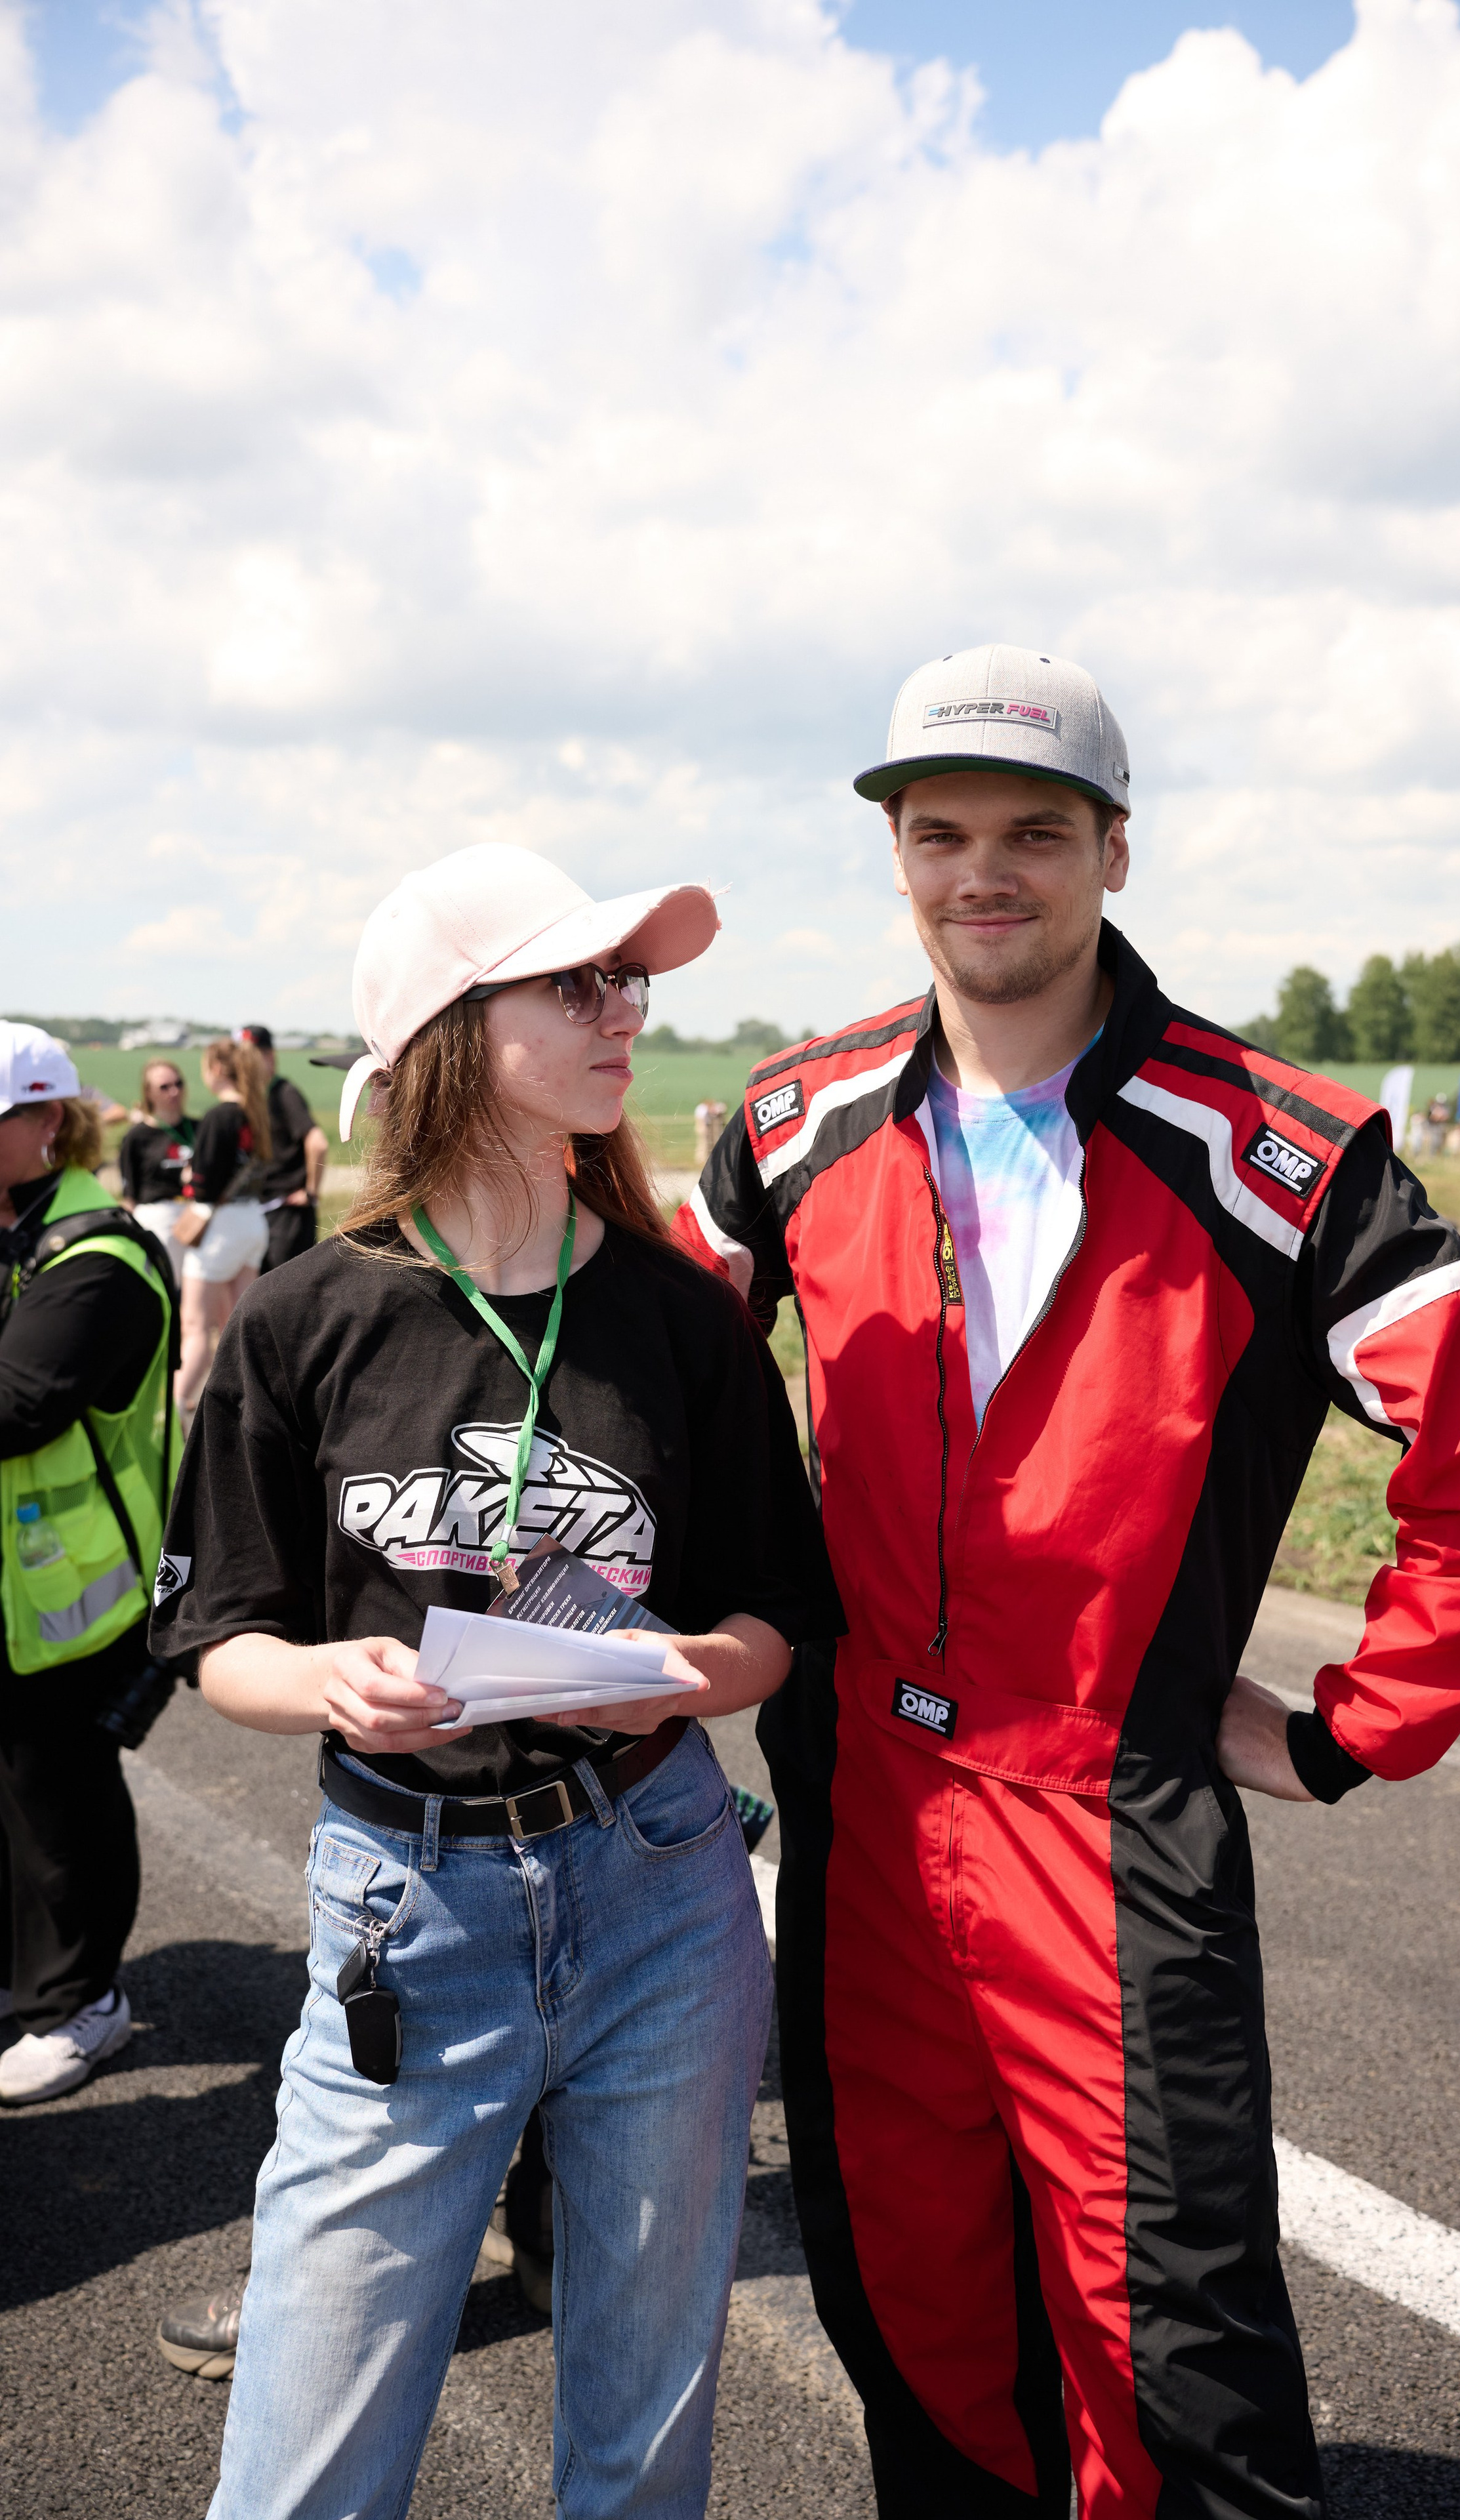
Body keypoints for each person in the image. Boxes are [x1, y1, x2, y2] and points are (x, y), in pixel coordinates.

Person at [673, 644, 1460, 2519]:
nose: (980, 873)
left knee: (1172, 2353)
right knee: (911, 2306)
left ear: (1114, 850)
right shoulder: (791, 1121)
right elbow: (650, 1393)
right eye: (940, 834)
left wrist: (1348, 1727)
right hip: (856, 1802)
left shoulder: (1285, 1151)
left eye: (1033, 832)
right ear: (897, 854)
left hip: (1110, 1820)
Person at [149, 840, 842, 2520]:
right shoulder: (307, 1320)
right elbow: (216, 1642)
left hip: (659, 1878)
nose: (626, 1012)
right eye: (577, 982)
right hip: (406, 1896)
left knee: (639, 2422)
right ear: (453, 1033)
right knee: (308, 2453)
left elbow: (775, 1619)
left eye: (630, 981)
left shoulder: (684, 1318)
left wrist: (679, 1674)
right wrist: (325, 1679)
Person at [0, 1023, 180, 2106]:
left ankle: (79, 2003)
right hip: (13, 1588)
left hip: (72, 1591)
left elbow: (19, 1406)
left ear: (46, 1124)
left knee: (56, 1798)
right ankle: (22, 1976)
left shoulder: (97, 1257)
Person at [176, 1037, 272, 1415]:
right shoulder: (255, 1111)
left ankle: (179, 1402)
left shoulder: (220, 1116)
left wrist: (191, 1178)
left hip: (219, 1228)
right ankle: (248, 1405)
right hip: (252, 1221)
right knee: (239, 1324)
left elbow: (204, 1180)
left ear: (216, 1069)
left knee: (196, 1326)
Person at [238, 1025, 329, 1273]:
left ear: (270, 1057)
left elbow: (318, 1143)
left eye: (252, 1057)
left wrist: (310, 1193)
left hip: (287, 1212)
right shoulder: (253, 1098)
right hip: (262, 1208)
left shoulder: (284, 1093)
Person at [118, 1060, 197, 1283]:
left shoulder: (199, 1128)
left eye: (178, 1084)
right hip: (159, 1218)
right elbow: (129, 1196)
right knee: (167, 1283)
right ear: (149, 1093)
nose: (174, 1092)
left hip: (198, 1216)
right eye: (165, 1087)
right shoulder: (137, 1137)